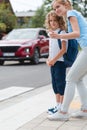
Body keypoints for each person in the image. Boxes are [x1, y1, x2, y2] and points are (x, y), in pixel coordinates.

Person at [47, 0, 87, 121]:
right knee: (78, 79)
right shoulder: (74, 14)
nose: (56, 10)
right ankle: (85, 109)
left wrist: (59, 36)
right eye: (54, 8)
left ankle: (63, 112)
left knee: (69, 79)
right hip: (85, 49)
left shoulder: (71, 14)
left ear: (66, 5)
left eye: (58, 6)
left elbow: (76, 33)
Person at [45, 10, 68, 115]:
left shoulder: (62, 33)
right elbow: (52, 50)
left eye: (54, 20)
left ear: (59, 21)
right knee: (55, 85)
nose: (52, 23)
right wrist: (49, 59)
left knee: (60, 84)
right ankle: (57, 105)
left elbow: (63, 49)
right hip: (53, 63)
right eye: (50, 21)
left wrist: (54, 60)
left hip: (60, 63)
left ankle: (62, 107)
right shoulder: (51, 34)